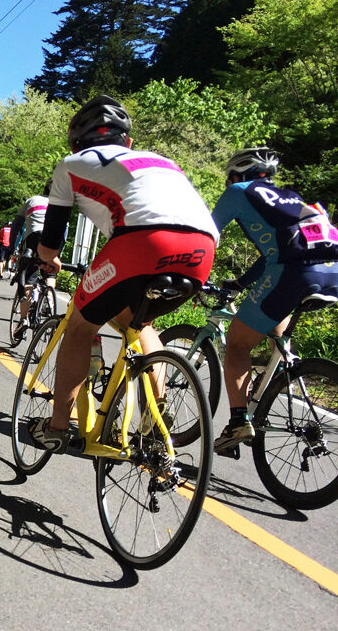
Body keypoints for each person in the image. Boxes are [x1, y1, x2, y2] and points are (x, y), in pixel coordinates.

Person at [32, 95, 219, 453]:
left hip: (142, 243)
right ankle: (154, 422)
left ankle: (56, 428)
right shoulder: (165, 162)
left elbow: (51, 239)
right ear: (128, 142)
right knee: (141, 324)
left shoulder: (71, 164)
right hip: (202, 248)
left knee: (80, 325)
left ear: (75, 142)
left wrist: (49, 260)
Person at [211, 147, 338, 456]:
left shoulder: (238, 191)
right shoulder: (292, 198)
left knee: (238, 345)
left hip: (292, 274)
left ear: (237, 175)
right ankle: (275, 379)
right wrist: (241, 283)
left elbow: (205, 233)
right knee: (275, 335)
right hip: (332, 272)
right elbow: (277, 252)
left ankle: (238, 422)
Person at [10, 183, 56, 334]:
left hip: (33, 239)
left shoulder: (31, 200)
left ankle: (23, 319)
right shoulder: (60, 205)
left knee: (28, 278)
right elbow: (64, 231)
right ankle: (49, 299)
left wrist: (11, 246)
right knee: (51, 272)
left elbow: (17, 224)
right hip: (53, 240)